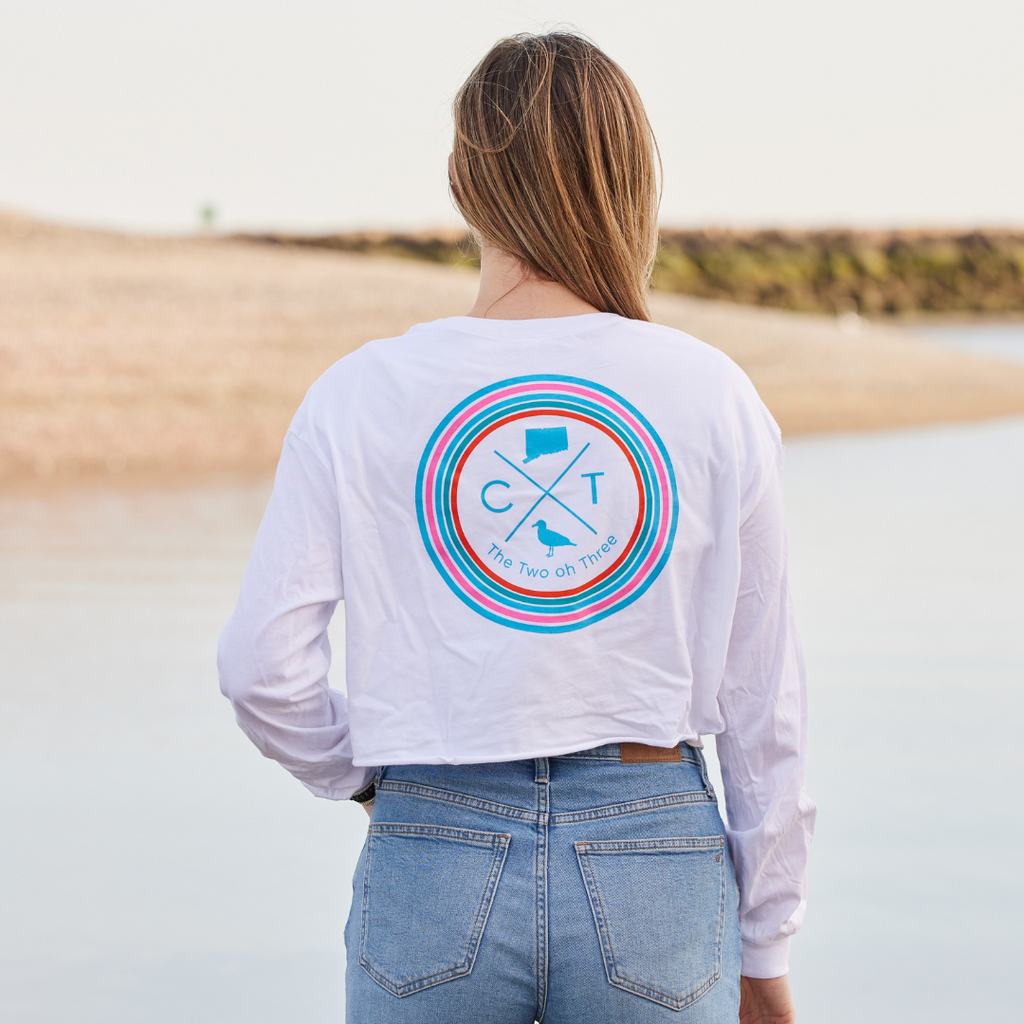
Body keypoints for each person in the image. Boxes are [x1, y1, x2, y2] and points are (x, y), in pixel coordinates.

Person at [218, 31, 815, 1024]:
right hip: (655, 856)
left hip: (433, 846)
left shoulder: (361, 393)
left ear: (462, 182)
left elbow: (259, 670)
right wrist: (767, 945)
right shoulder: (709, 393)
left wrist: (370, 782)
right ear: (633, 182)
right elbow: (766, 709)